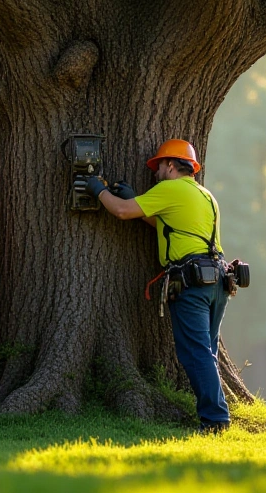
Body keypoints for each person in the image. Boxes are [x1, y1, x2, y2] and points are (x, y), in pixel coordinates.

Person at [86, 139, 231, 433]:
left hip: (192, 283)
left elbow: (122, 211)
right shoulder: (205, 196)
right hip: (217, 281)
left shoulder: (169, 189)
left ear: (169, 165)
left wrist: (98, 189)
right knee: (207, 351)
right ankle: (214, 415)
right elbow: (170, 225)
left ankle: (216, 420)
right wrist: (138, 199)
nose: (154, 173)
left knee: (196, 353)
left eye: (157, 167)